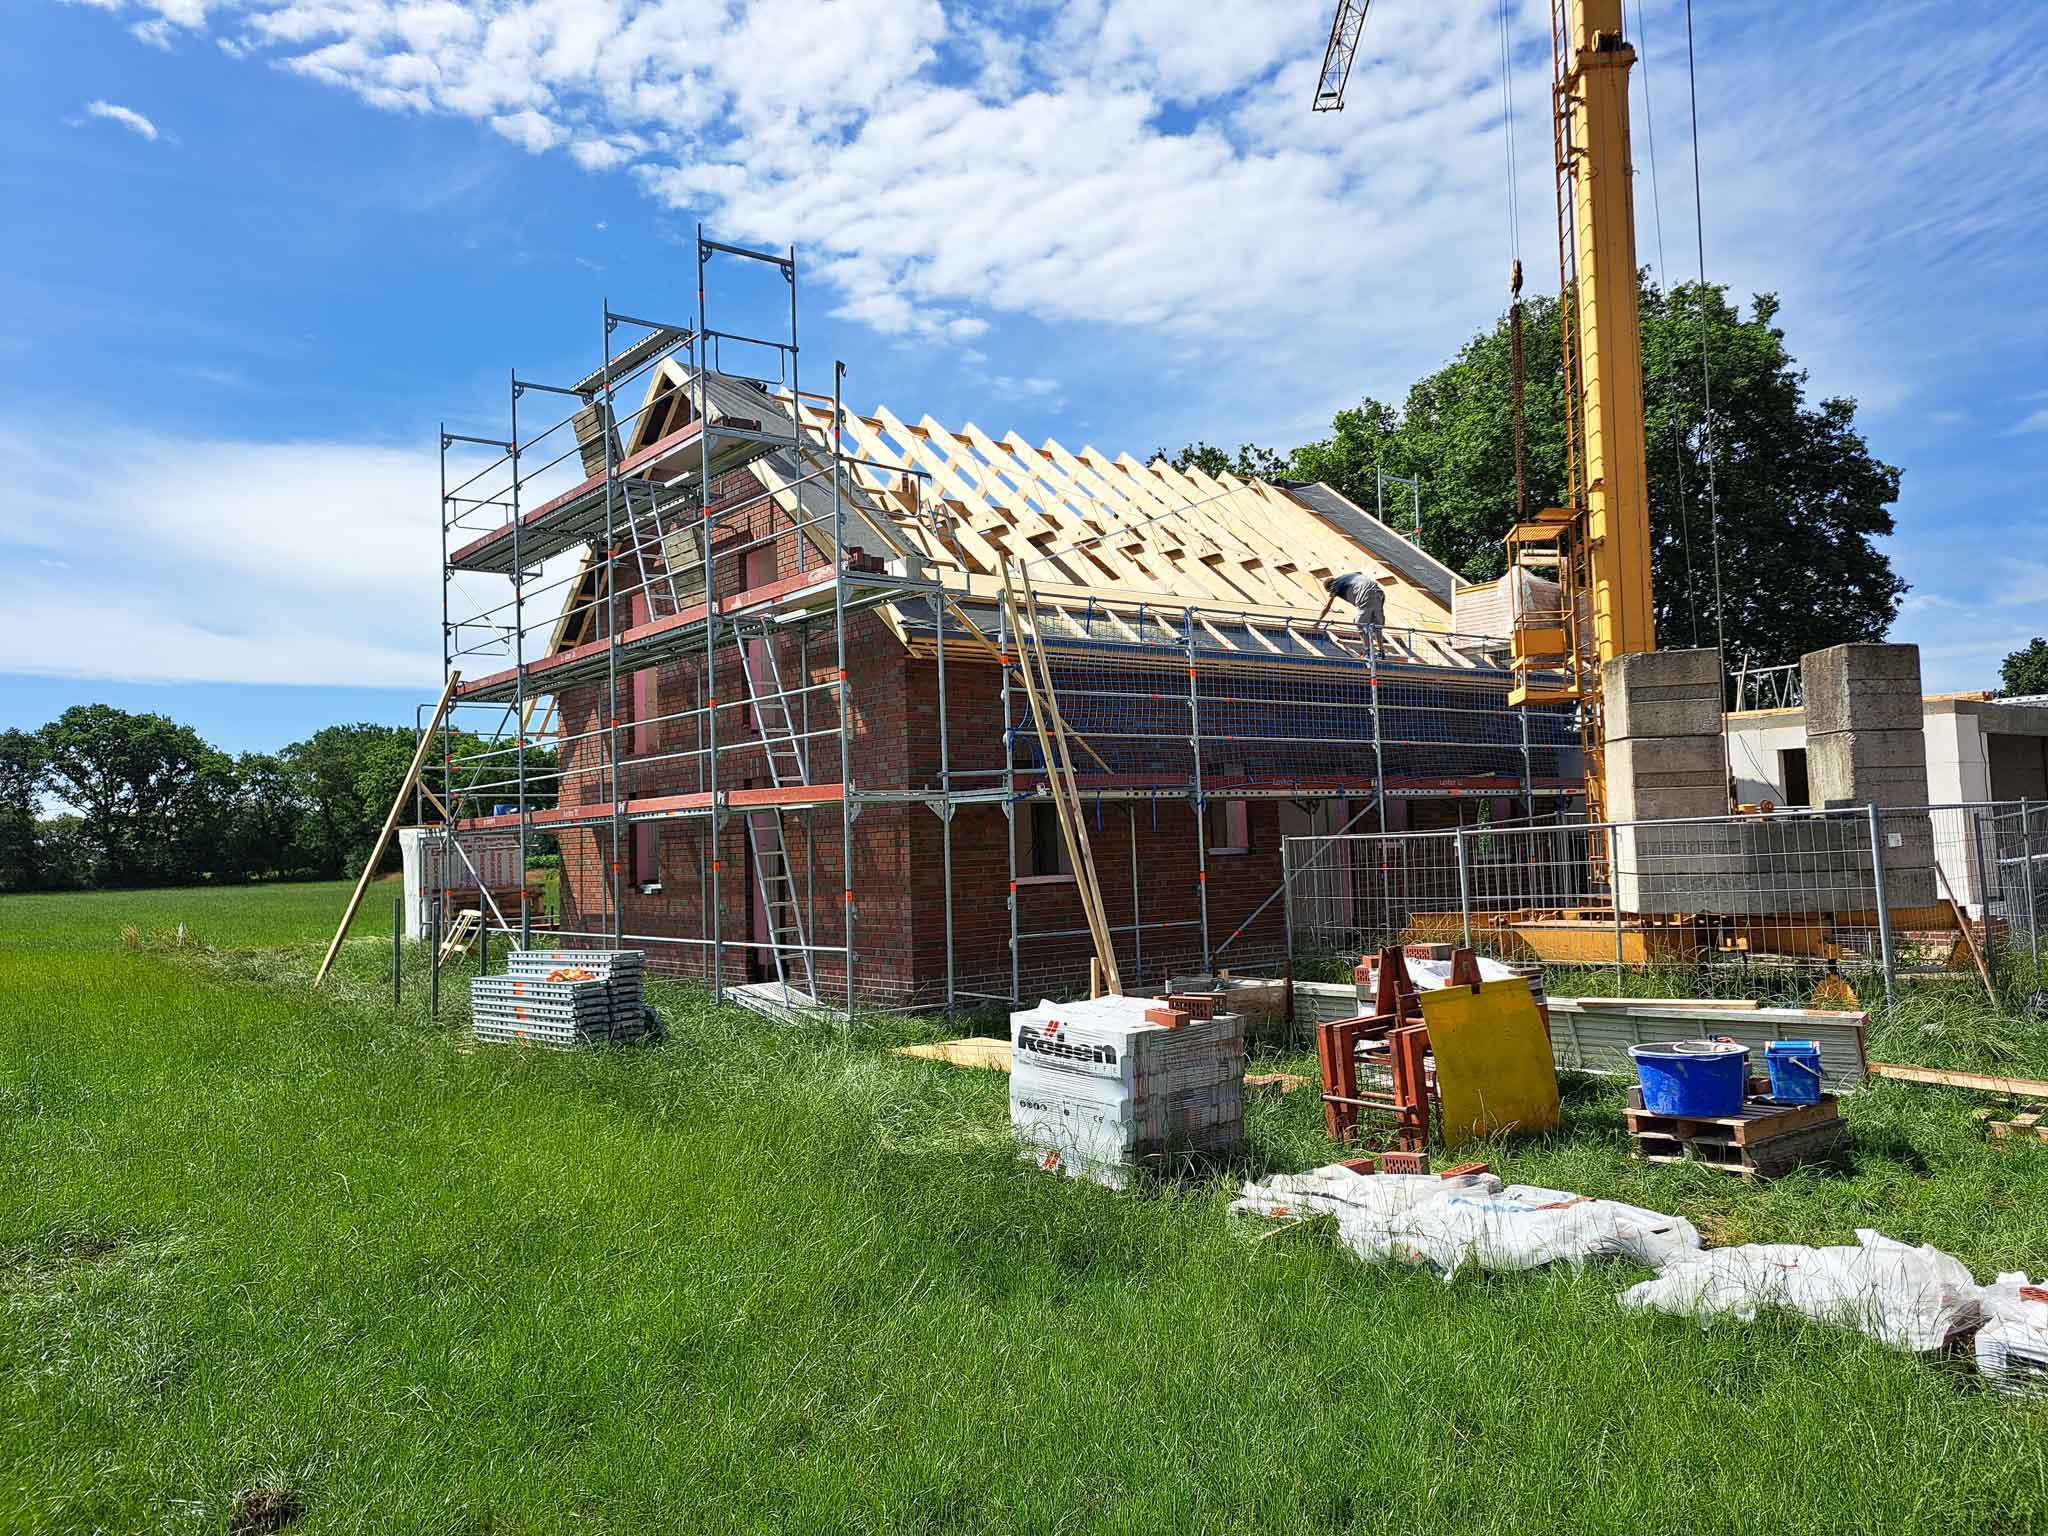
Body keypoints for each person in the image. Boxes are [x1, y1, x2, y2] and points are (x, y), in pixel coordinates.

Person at [1314, 572, 1386, 633]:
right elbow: (1359, 573)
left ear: (1329, 587)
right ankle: (1380, 648)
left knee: (1360, 624)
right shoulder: (1346, 577)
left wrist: (1318, 621)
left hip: (1365, 599)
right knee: (1376, 625)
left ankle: (1368, 647)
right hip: (1376, 593)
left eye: (1329, 591)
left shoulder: (1335, 586)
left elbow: (1327, 607)